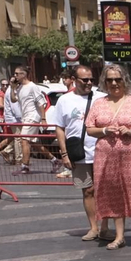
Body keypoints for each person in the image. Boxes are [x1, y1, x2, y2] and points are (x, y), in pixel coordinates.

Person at [88, 63, 131, 250]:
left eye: (117, 79)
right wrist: (104, 129)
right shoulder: (99, 103)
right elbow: (89, 128)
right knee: (115, 193)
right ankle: (119, 237)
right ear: (104, 81)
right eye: (109, 79)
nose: (114, 83)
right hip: (106, 156)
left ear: (124, 80)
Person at [51, 65, 101, 240]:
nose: (89, 83)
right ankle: (94, 227)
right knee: (88, 190)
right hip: (78, 153)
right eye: (84, 80)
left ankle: (108, 226)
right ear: (74, 79)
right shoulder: (65, 100)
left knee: (105, 191)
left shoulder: (101, 97)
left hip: (103, 152)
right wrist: (64, 154)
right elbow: (59, 128)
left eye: (91, 79)